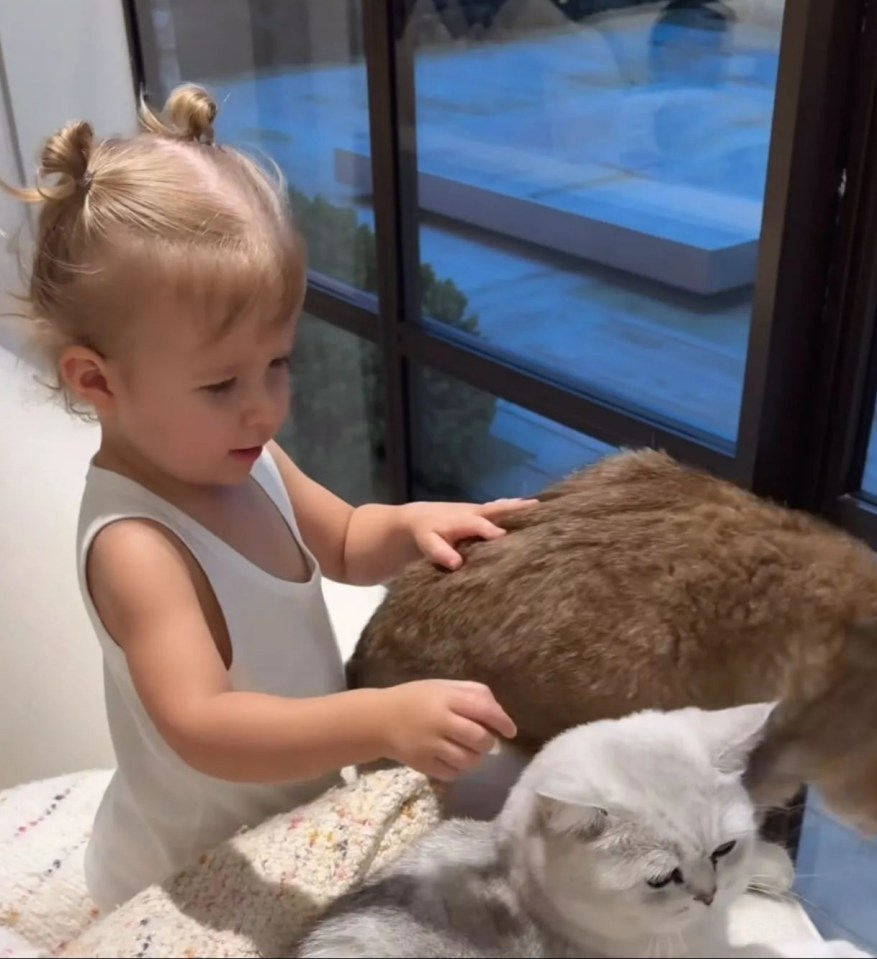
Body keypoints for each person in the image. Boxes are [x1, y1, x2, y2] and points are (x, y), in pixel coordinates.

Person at [3, 84, 530, 912]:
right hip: (190, 869)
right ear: (96, 380)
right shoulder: (137, 543)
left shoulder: (245, 455)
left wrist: (414, 523)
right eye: (221, 383)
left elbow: (348, 539)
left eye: (277, 363)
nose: (264, 404)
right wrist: (380, 718)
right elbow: (203, 725)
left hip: (294, 817)